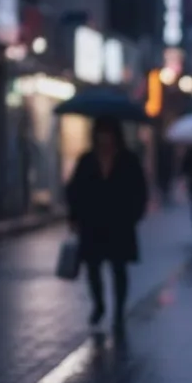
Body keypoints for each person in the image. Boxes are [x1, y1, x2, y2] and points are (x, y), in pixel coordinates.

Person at [66, 117, 148, 330]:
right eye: (101, 133)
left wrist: (134, 214)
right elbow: (75, 190)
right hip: (92, 222)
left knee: (118, 268)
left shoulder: (128, 160)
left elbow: (139, 189)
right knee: (93, 267)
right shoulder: (87, 160)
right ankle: (99, 305)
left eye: (108, 133)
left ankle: (119, 311)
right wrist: (74, 217)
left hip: (119, 223)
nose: (105, 138)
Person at [156, 136, 175, 206]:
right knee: (163, 185)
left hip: (166, 170)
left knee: (165, 184)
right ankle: (165, 197)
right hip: (163, 170)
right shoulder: (162, 149)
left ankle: (165, 197)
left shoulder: (168, 148)